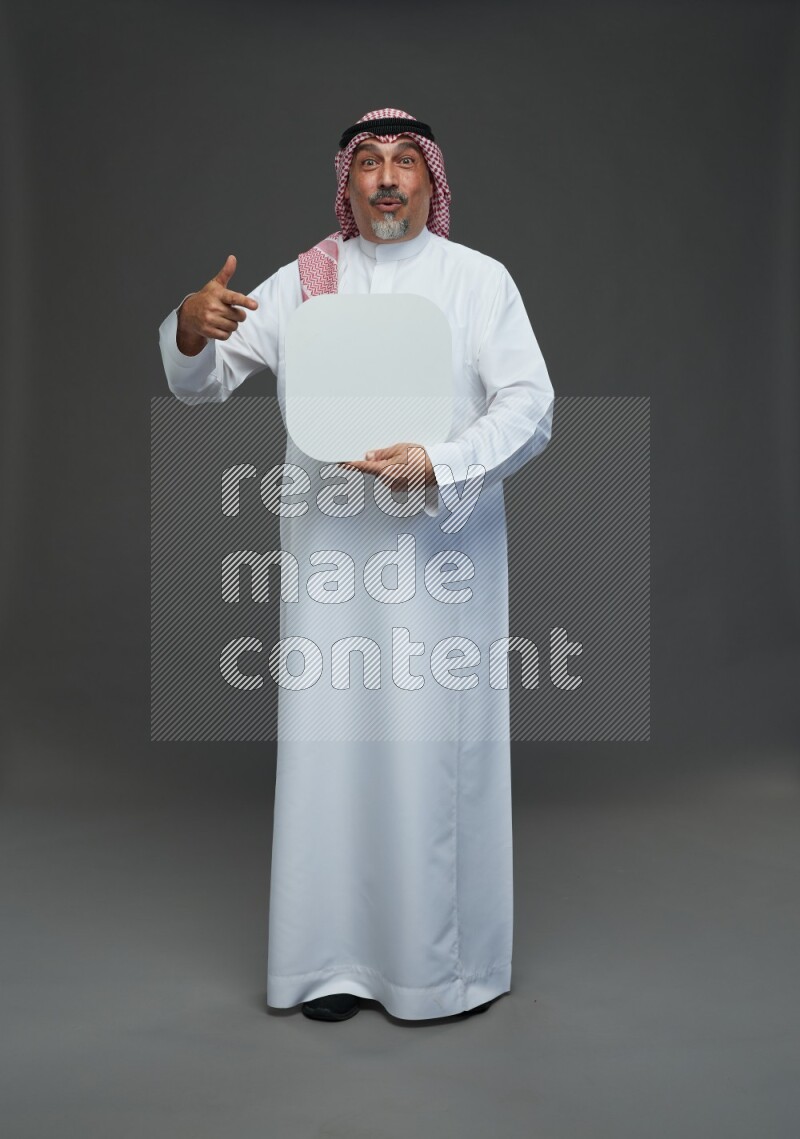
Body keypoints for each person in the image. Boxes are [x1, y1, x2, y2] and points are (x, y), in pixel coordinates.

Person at [158, 107, 555, 1023]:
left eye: (404, 162)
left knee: (426, 761)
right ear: (347, 181)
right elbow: (207, 379)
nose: (385, 178)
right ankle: (331, 963)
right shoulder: (307, 281)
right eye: (368, 162)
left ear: (431, 181)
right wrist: (187, 325)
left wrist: (440, 462)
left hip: (439, 571)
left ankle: (437, 973)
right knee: (334, 759)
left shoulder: (478, 282)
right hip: (332, 569)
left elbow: (532, 407)